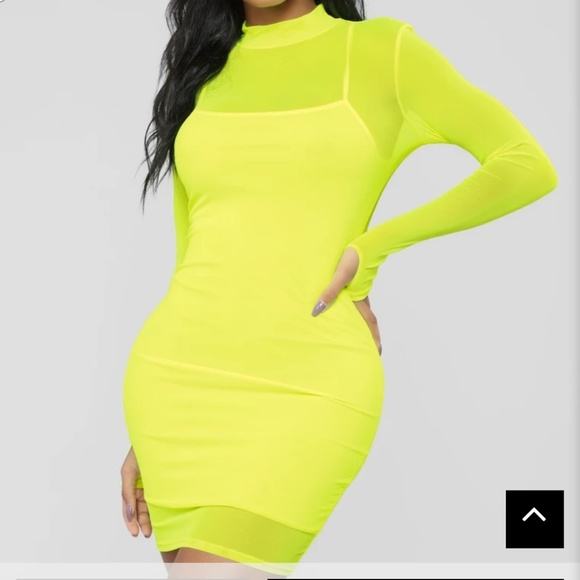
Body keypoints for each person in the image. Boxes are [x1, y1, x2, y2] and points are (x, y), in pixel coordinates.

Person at [120, 0, 558, 578]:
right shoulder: (204, 70)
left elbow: (525, 164)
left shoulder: (379, 53)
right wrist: (142, 441)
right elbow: (193, 250)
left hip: (308, 379)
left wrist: (372, 249)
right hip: (176, 383)